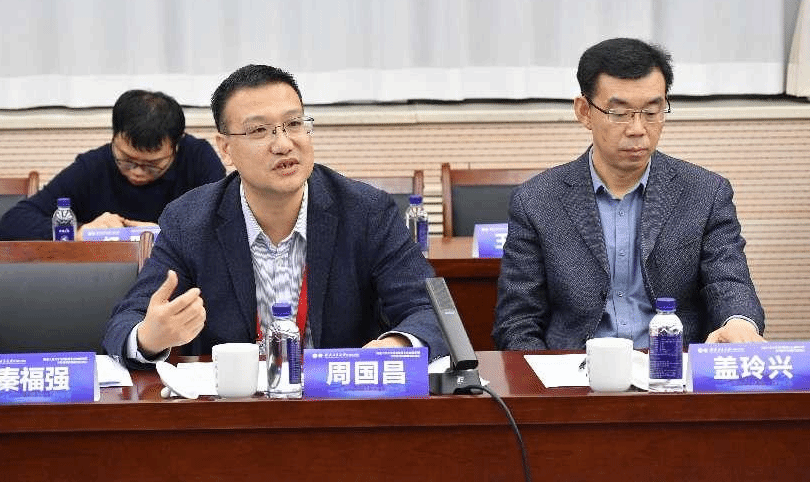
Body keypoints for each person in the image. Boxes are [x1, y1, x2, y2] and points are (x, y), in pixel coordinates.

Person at [103, 64, 448, 367]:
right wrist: (149, 338)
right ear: (226, 148)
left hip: (337, 402)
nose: (283, 144)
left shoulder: (367, 212)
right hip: (233, 407)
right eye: (259, 130)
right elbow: (126, 322)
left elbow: (430, 311)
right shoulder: (189, 221)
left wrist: (394, 346)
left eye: (293, 124)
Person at [493, 37, 765, 351]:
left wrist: (738, 322)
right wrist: (544, 377)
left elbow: (729, 281)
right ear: (584, 111)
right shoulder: (537, 201)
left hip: (673, 366)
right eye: (620, 113)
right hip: (576, 369)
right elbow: (518, 321)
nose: (637, 129)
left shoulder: (705, 192)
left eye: (652, 112)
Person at [0, 90, 226, 241]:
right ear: (114, 137)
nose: (137, 172)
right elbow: (13, 222)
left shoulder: (198, 159)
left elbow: (223, 225)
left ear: (176, 145)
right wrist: (79, 232)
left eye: (152, 165)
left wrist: (161, 233)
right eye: (126, 160)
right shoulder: (93, 166)